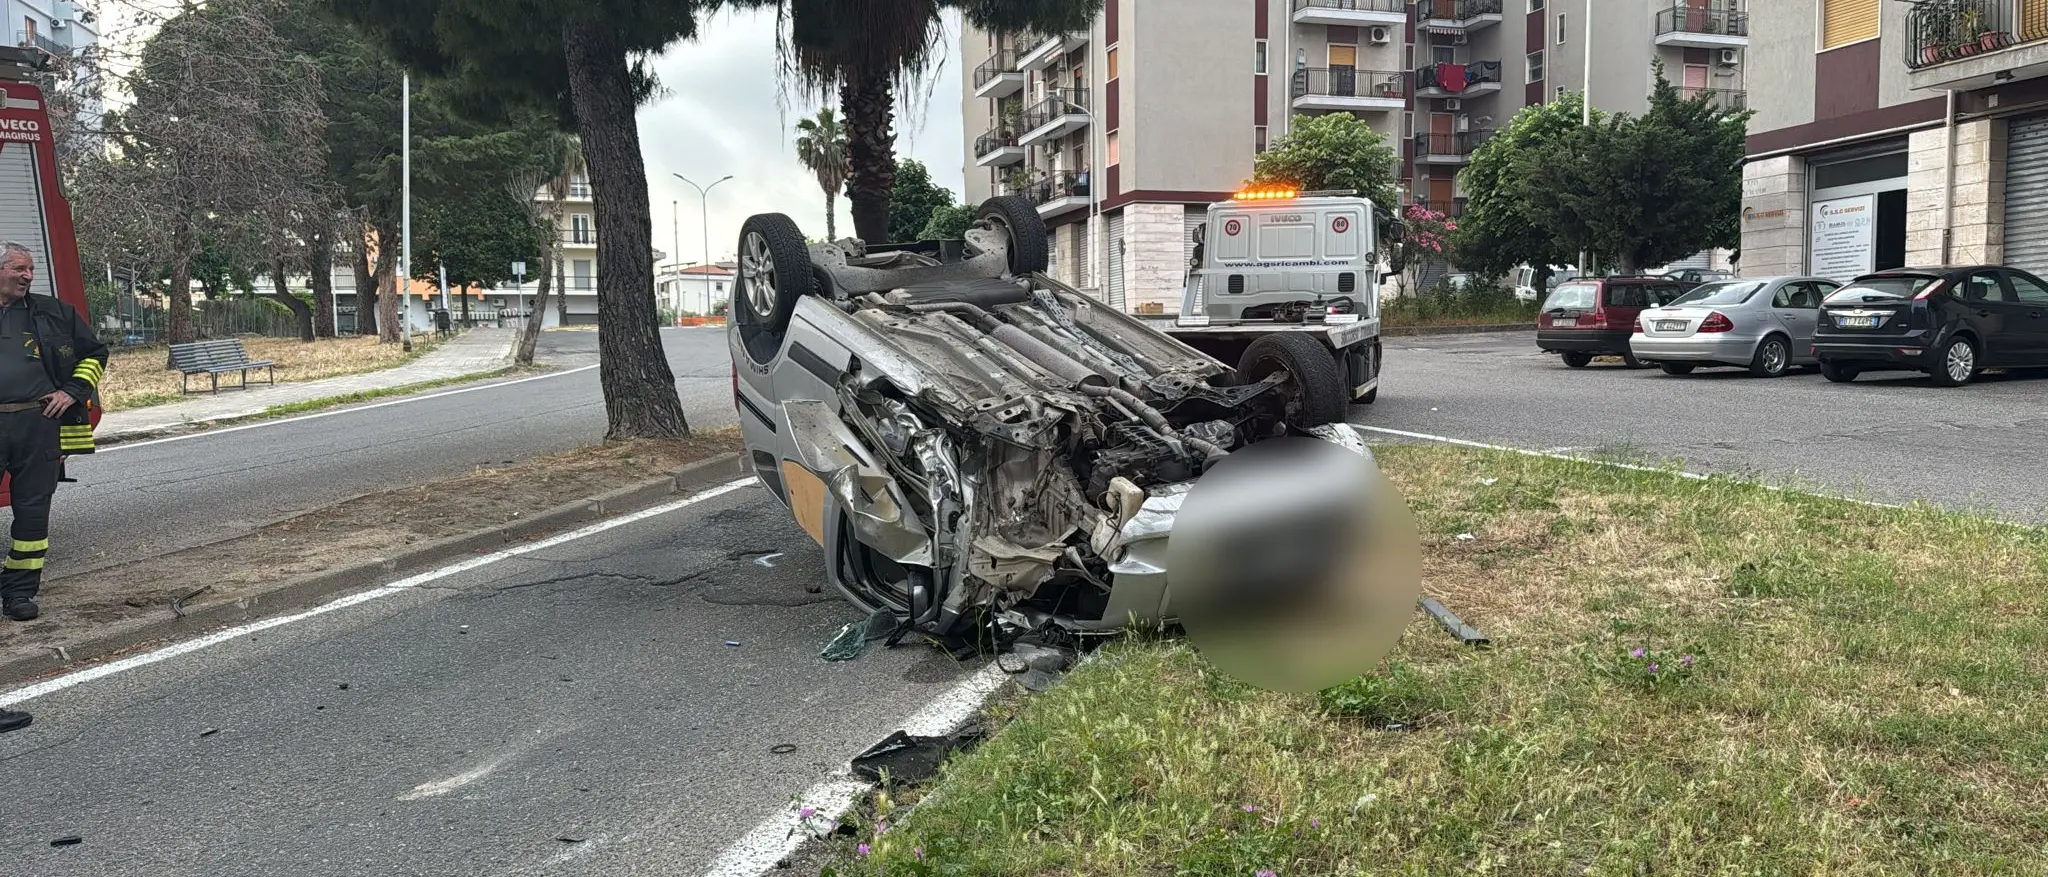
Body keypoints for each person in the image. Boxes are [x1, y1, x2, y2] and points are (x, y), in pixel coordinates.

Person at [0, 241, 106, 622]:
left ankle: (19, 592)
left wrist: (72, 391)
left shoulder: (54, 313)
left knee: (32, 514)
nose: (28, 276)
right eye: (19, 269)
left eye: (30, 269)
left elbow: (95, 353)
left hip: (38, 424)